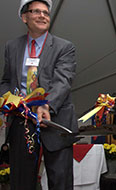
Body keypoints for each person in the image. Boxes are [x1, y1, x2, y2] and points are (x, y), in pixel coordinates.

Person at [0, 0, 78, 189]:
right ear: (24, 17)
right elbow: (6, 81)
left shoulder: (65, 47)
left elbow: (63, 81)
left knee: (60, 181)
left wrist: (46, 105)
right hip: (21, 122)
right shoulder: (12, 47)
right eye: (37, 11)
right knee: (21, 181)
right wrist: (8, 101)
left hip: (55, 121)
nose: (43, 16)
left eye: (46, 12)